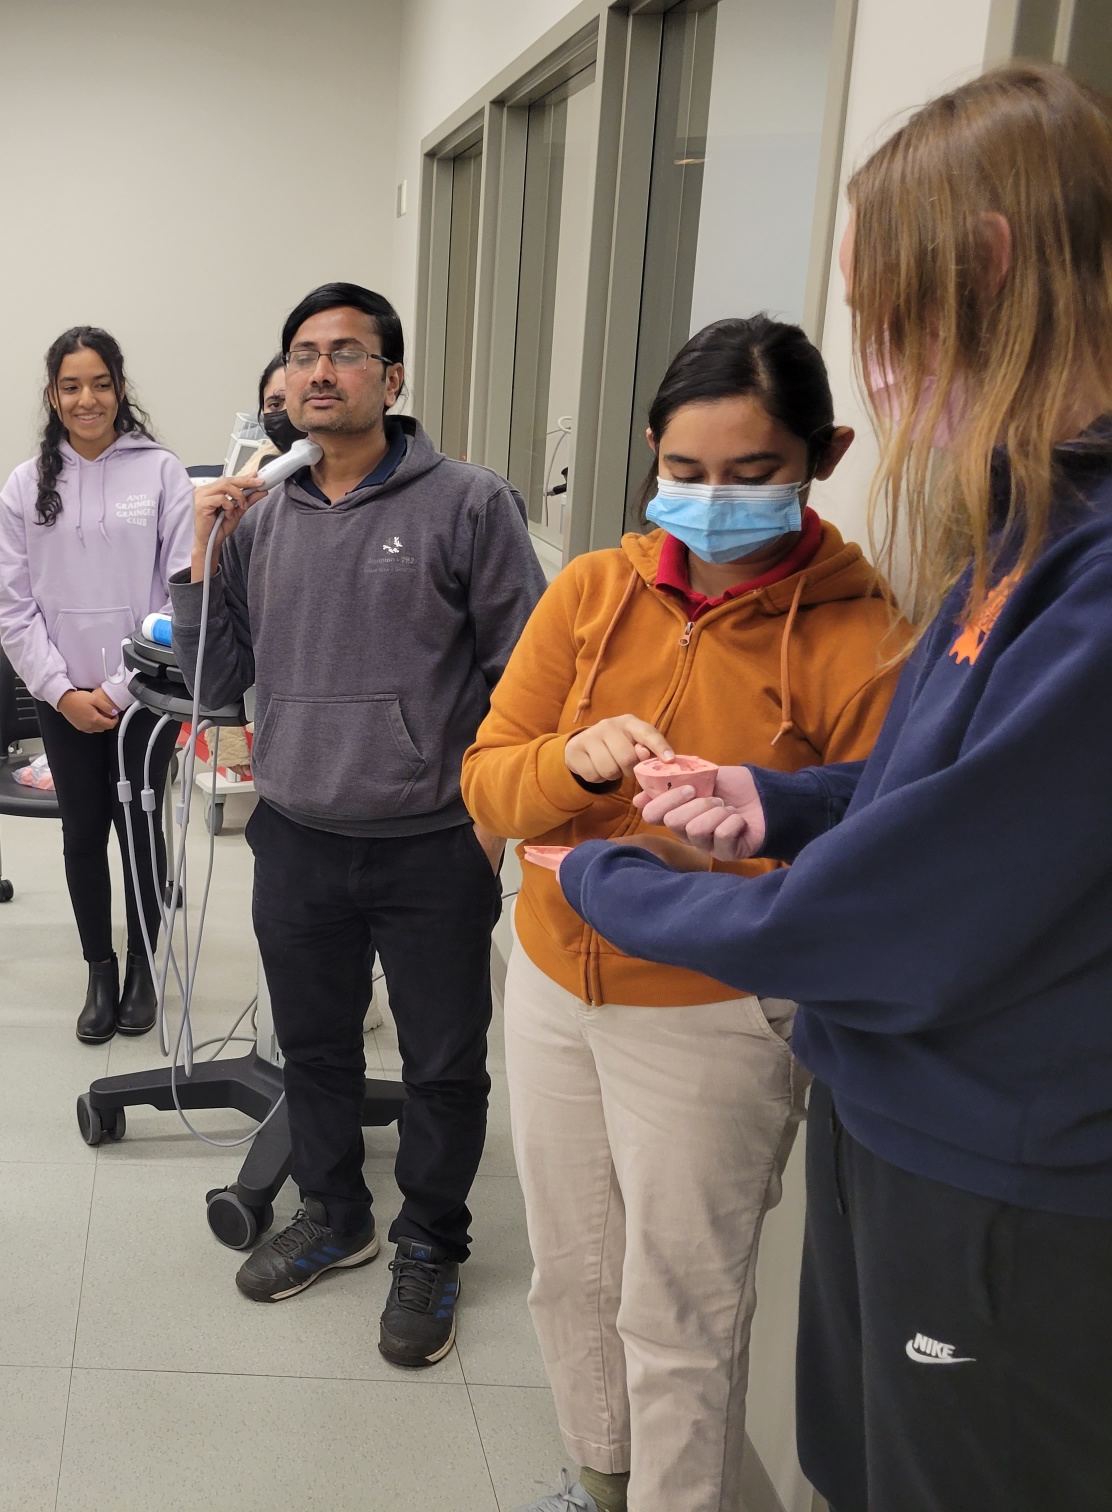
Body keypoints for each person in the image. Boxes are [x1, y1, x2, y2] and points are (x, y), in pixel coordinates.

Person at [560, 63, 1112, 1512]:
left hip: (1009, 1160)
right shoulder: (1024, 530)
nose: (880, 361)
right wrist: (780, 803)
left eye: (885, 321)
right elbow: (949, 789)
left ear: (989, 267)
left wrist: (610, 879)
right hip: (900, 1119)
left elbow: (920, 906)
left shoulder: (1092, 573)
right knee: (854, 1464)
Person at [460, 316, 907, 1512]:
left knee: (680, 1314)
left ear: (824, 454)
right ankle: (599, 1488)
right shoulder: (594, 591)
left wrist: (732, 847)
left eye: (753, 476)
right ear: (651, 451)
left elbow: (869, 870)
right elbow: (490, 782)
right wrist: (576, 765)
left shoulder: (860, 637)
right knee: (572, 1279)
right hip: (556, 983)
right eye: (687, 473)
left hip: (713, 1017)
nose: (714, 502)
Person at [173, 281, 545, 1367]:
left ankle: (432, 1240)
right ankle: (334, 1213)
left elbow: (522, 676)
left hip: (433, 840)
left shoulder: (470, 503)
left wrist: (488, 821)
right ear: (282, 385)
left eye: (345, 353)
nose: (318, 372)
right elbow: (215, 680)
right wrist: (200, 554)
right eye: (301, 356)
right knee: (318, 1048)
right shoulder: (259, 519)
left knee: (441, 1063)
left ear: (391, 379)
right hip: (296, 831)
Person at [0, 327, 193, 1042]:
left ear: (120, 387)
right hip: (62, 697)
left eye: (100, 383)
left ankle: (144, 967)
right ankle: (100, 969)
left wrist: (119, 686)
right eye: (71, 386)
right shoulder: (26, 485)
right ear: (54, 395)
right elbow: (13, 608)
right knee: (83, 833)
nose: (88, 399)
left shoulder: (162, 473)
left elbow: (178, 595)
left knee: (141, 828)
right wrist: (63, 691)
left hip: (145, 696)